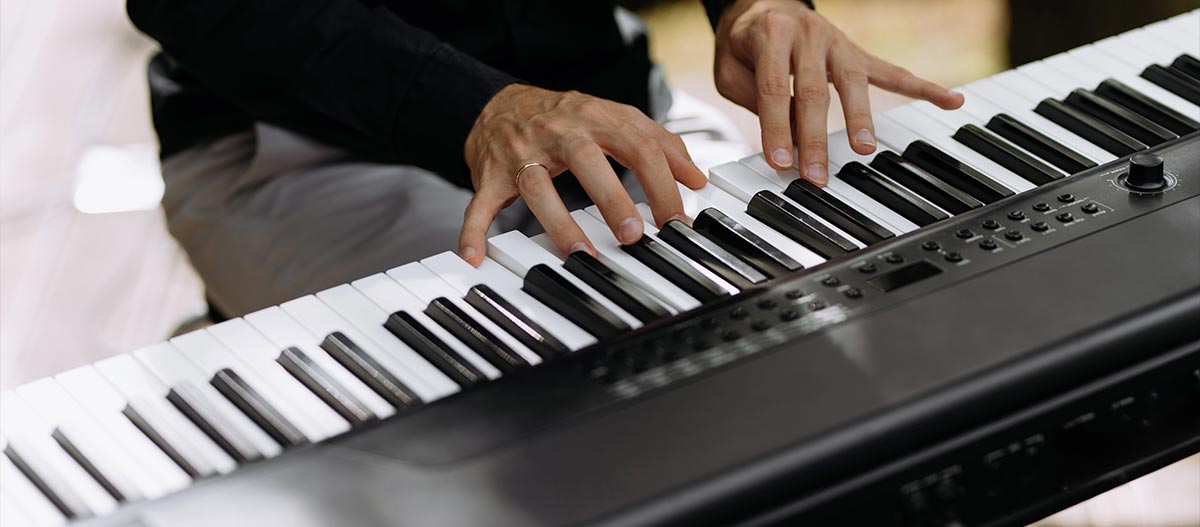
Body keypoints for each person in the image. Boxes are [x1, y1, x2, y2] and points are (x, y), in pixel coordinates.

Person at [127, 0, 962, 317]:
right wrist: (480, 106)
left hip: (604, 105)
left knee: (795, 312)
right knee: (553, 387)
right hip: (301, 142)